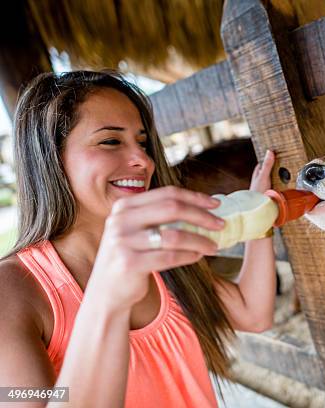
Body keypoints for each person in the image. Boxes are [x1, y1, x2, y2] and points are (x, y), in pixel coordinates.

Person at [0, 70, 277, 407]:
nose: (143, 161)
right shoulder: (12, 290)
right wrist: (109, 296)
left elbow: (252, 314)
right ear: (51, 157)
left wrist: (259, 212)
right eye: (111, 141)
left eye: (142, 143)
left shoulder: (154, 246)